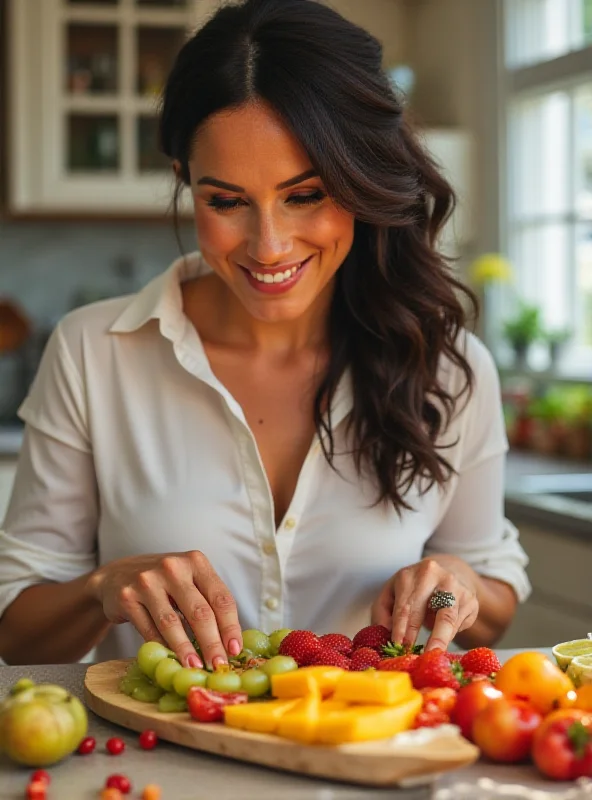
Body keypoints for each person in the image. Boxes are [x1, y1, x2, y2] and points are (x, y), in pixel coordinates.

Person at [0, 0, 530, 670]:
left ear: (362, 182)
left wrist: (459, 583)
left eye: (305, 195)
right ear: (185, 182)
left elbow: (496, 595)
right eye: (226, 202)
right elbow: (15, 633)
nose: (269, 245)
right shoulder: (90, 353)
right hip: (160, 772)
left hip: (369, 759)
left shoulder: (449, 369)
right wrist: (105, 587)